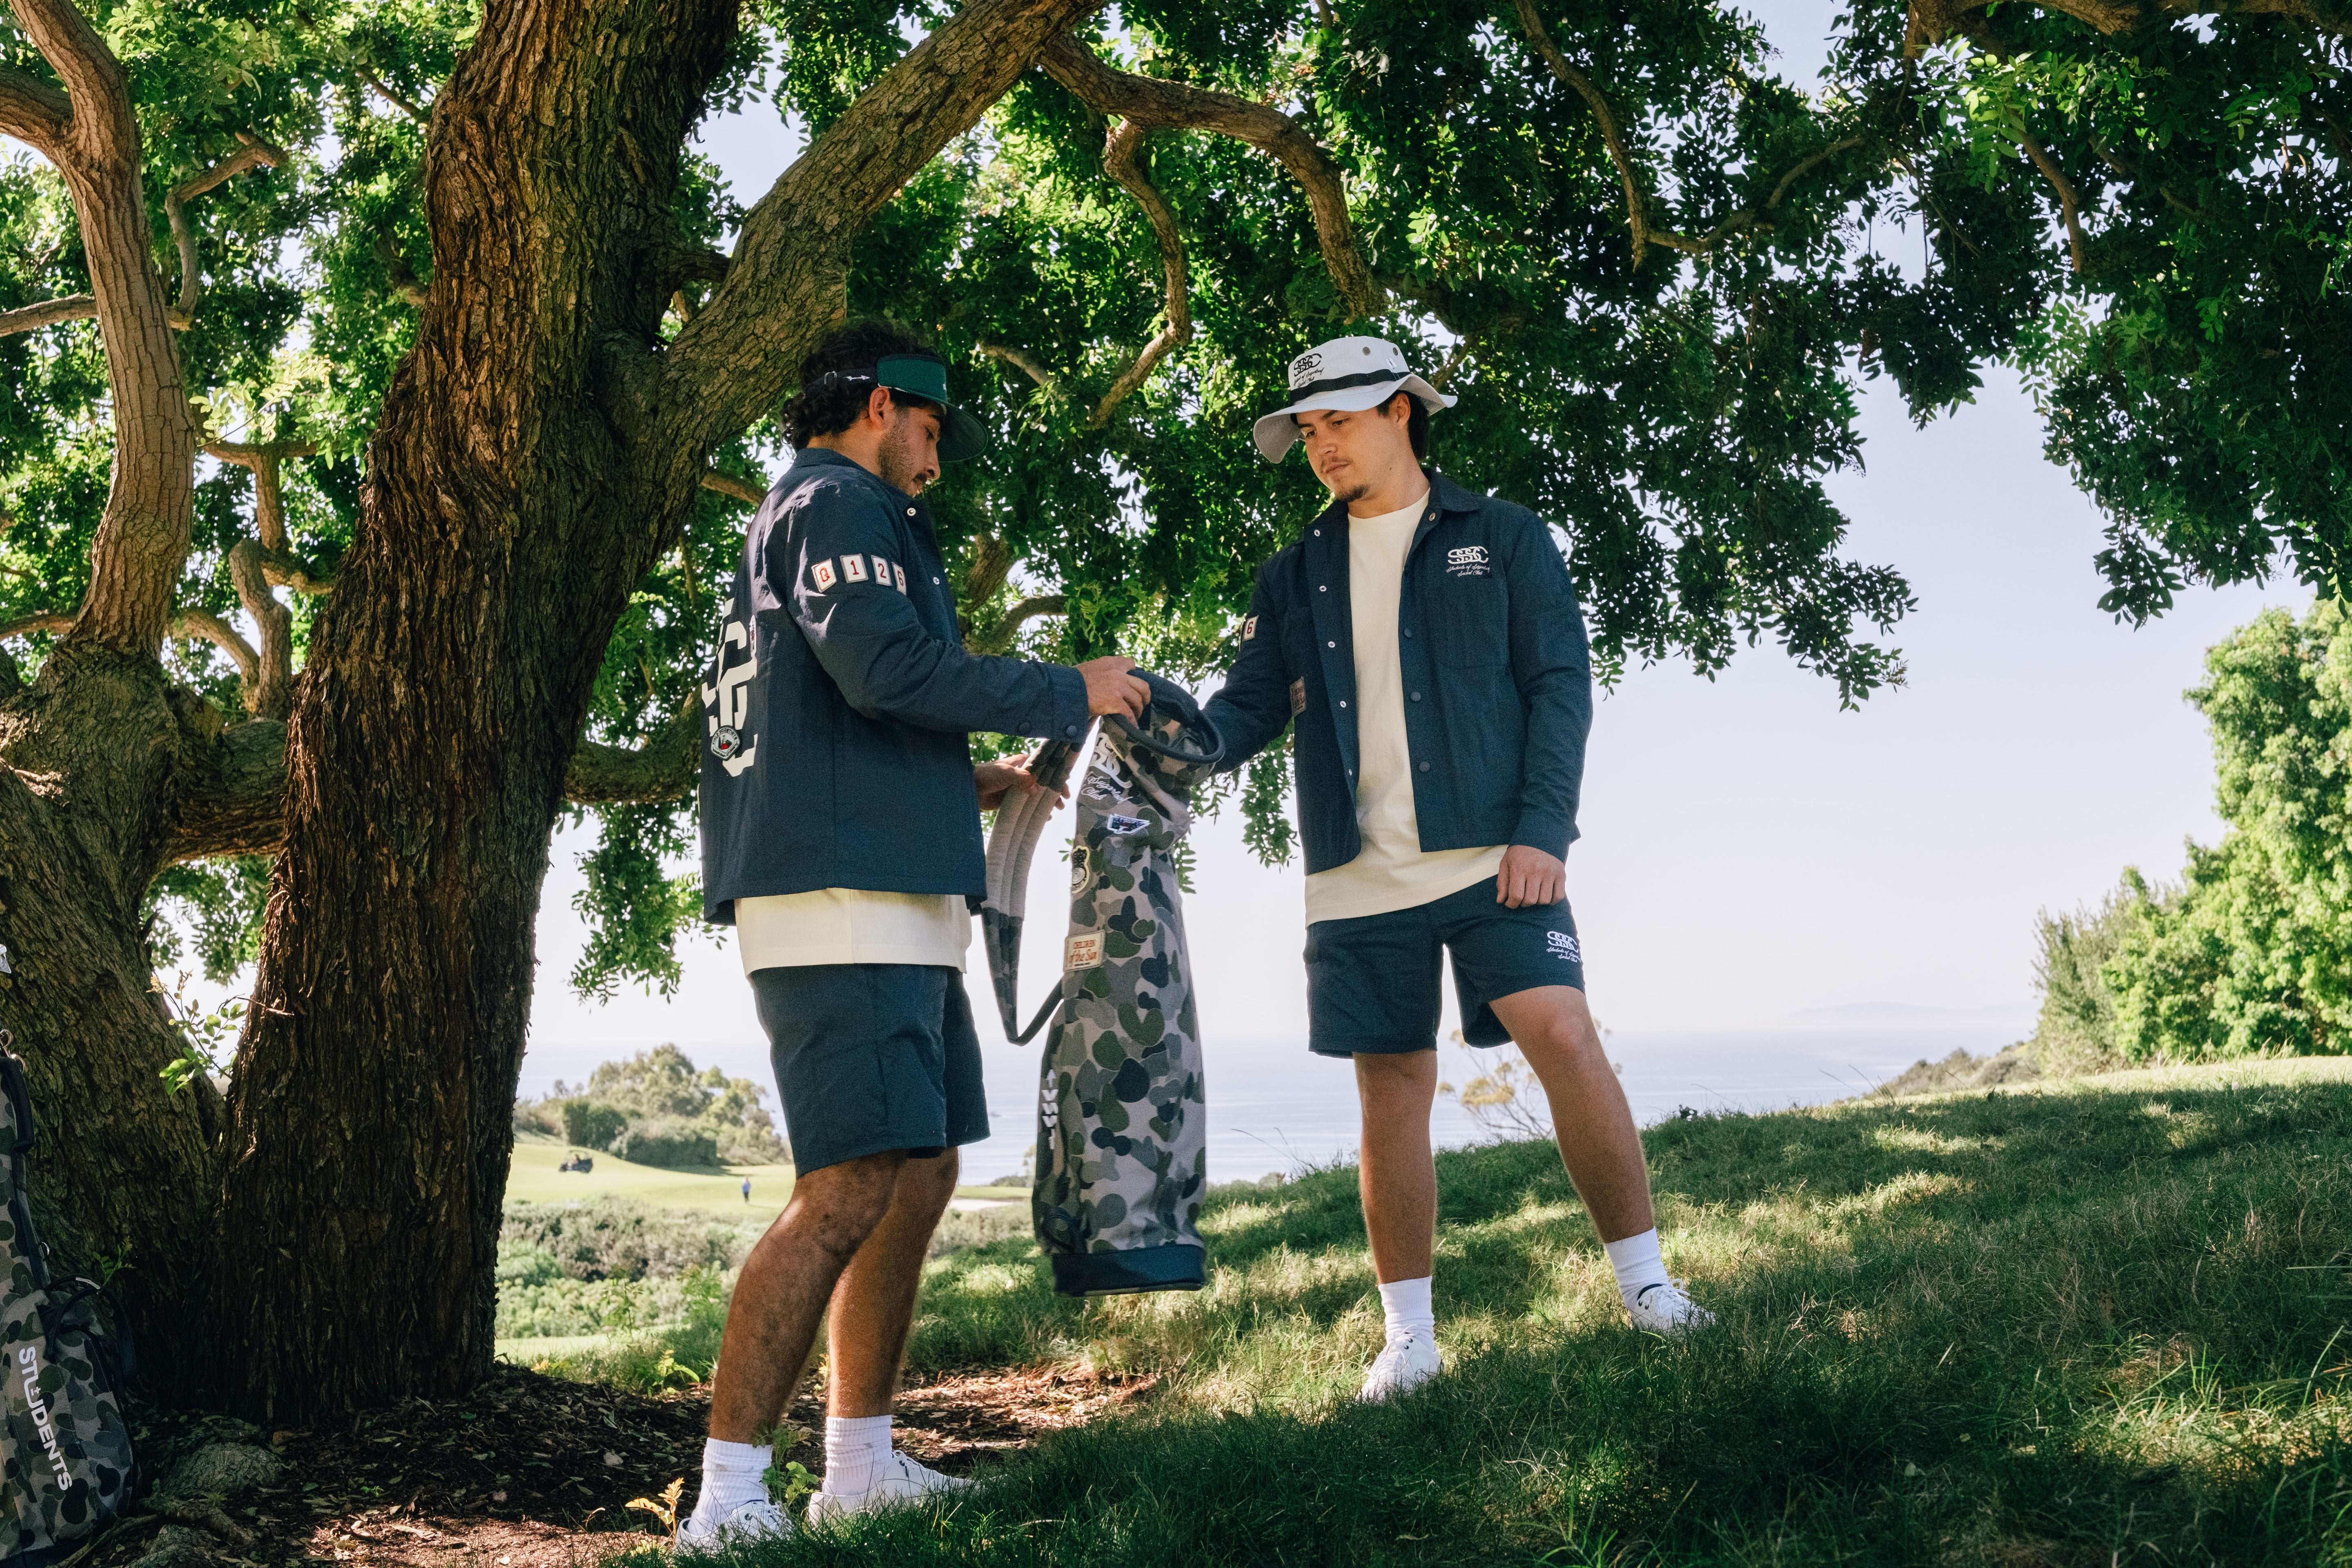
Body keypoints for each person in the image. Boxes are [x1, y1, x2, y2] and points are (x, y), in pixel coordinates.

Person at [681, 319, 1151, 1547]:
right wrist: (1068, 689)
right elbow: (885, 668)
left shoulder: (821, 515)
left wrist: (965, 782)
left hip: (889, 890)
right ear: (882, 406)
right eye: (932, 432)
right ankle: (726, 1502)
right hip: (843, 905)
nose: (937, 463)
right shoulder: (836, 501)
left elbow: (848, 709)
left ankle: (860, 1463)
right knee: (845, 1187)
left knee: (923, 1168)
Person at [1201, 335, 1716, 1404]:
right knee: (1391, 1086)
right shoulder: (1292, 573)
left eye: (1340, 422)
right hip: (1356, 876)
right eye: (1308, 431)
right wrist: (1158, 737)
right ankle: (1409, 1341)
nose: (1322, 447)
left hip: (1498, 855)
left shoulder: (1506, 536)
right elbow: (1244, 709)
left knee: (1563, 1034)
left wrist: (1545, 832)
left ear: (1401, 411)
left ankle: (1650, 1289)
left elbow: (1560, 685)